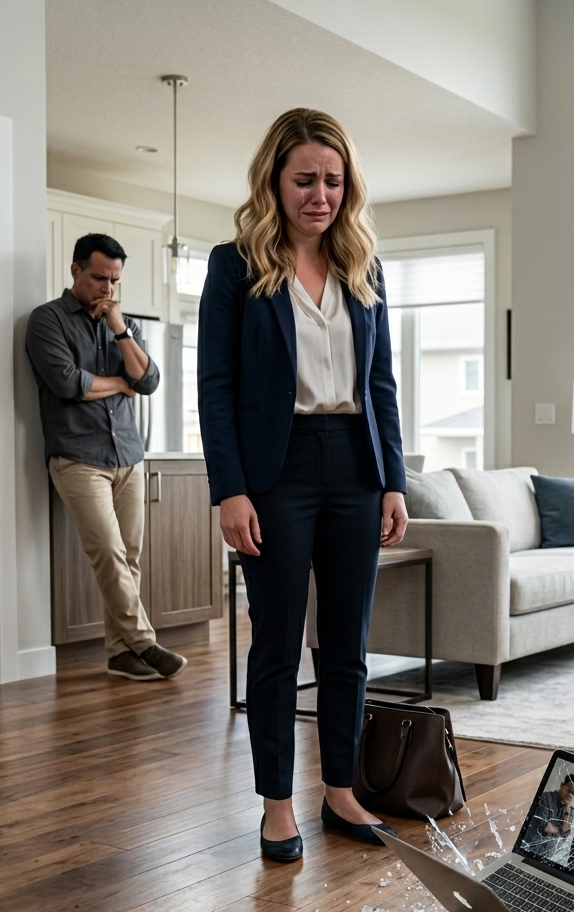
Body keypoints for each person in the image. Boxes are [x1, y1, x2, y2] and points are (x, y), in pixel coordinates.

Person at [197, 109, 407, 863]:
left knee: (348, 643)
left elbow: (381, 383)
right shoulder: (234, 265)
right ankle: (278, 805)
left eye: (333, 179)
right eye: (305, 179)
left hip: (355, 464)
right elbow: (215, 386)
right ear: (276, 182)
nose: (320, 194)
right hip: (274, 472)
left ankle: (342, 792)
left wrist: (393, 480)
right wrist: (230, 489)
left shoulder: (366, 267)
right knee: (277, 645)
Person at [26, 234, 188, 682]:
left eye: (115, 280)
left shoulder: (122, 323)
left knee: (129, 556)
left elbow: (149, 380)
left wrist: (119, 329)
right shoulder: (48, 320)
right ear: (76, 270)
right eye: (100, 277)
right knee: (109, 553)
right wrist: (121, 383)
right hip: (78, 457)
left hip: (129, 456)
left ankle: (121, 654)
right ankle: (145, 643)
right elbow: (67, 383)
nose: (107, 288)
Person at [529, 774, 574, 859]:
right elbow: (543, 825)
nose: (570, 795)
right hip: (530, 850)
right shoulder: (545, 798)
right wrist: (560, 831)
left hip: (546, 856)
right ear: (562, 785)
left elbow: (566, 833)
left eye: (573, 794)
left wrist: (567, 812)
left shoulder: (569, 811)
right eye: (569, 790)